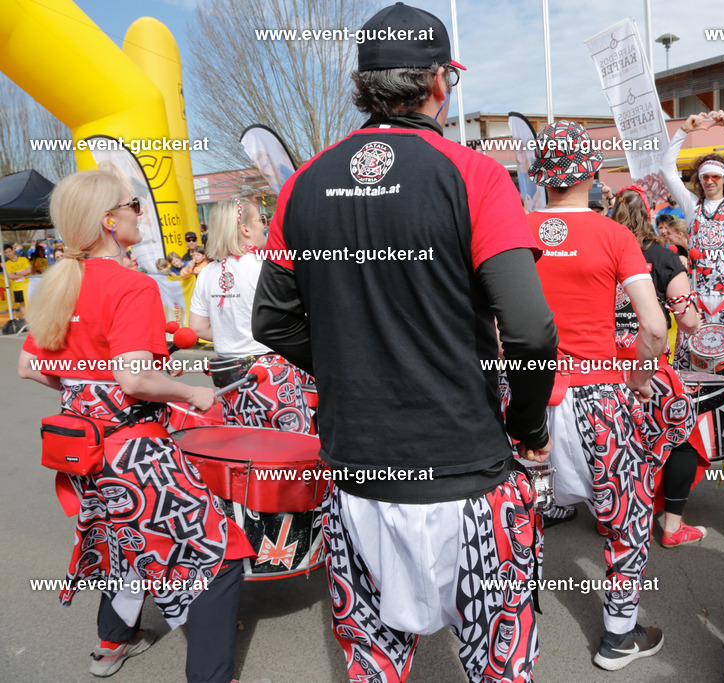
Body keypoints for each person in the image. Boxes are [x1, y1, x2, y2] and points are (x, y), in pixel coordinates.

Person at [250, 4, 557, 681]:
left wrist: (351, 364)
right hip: (469, 470)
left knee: (374, 665)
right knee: (500, 665)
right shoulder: (476, 175)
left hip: (359, 471)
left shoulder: (302, 183)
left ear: (365, 87)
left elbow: (271, 322)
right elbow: (531, 329)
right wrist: (528, 421)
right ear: (440, 83)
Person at [17, 170, 253, 682]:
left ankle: (110, 645)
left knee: (121, 538)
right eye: (134, 205)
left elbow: (30, 366)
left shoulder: (58, 282)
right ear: (109, 220)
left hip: (82, 450)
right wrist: (194, 392)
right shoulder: (131, 285)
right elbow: (135, 376)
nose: (139, 214)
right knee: (219, 551)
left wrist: (85, 393)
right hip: (134, 451)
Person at [526, 121, 667, 670]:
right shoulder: (616, 235)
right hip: (597, 401)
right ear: (592, 172)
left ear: (541, 174)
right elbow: (654, 328)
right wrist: (635, 376)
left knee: (519, 519)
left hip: (526, 400)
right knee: (625, 518)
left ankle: (514, 635)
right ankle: (618, 636)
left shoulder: (511, 227)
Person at [660, 110, 724, 441]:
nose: (710, 181)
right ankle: (685, 412)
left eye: (716, 176)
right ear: (699, 180)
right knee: (688, 356)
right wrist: (683, 130)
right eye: (705, 176)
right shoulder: (691, 206)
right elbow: (667, 169)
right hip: (698, 299)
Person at [610, 187, 703, 548]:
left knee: (613, 443)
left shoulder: (602, 248)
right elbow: (691, 322)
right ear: (650, 216)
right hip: (648, 367)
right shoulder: (664, 257)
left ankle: (610, 522)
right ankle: (672, 527)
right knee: (682, 442)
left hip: (600, 368)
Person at [190, 198, 314, 433]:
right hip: (271, 374)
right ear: (245, 229)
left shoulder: (207, 273)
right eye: (261, 220)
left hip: (229, 377)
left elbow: (197, 327)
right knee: (293, 451)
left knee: (246, 453)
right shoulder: (266, 266)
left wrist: (234, 336)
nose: (264, 226)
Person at [4, 242, 32, 320]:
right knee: (22, 304)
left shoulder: (23, 259)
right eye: (6, 253)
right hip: (17, 287)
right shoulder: (7, 264)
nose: (8, 254)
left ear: (13, 250)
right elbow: (10, 276)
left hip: (27, 285)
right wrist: (22, 274)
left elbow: (28, 270)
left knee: (30, 302)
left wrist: (16, 273)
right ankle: (28, 320)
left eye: (9, 251)